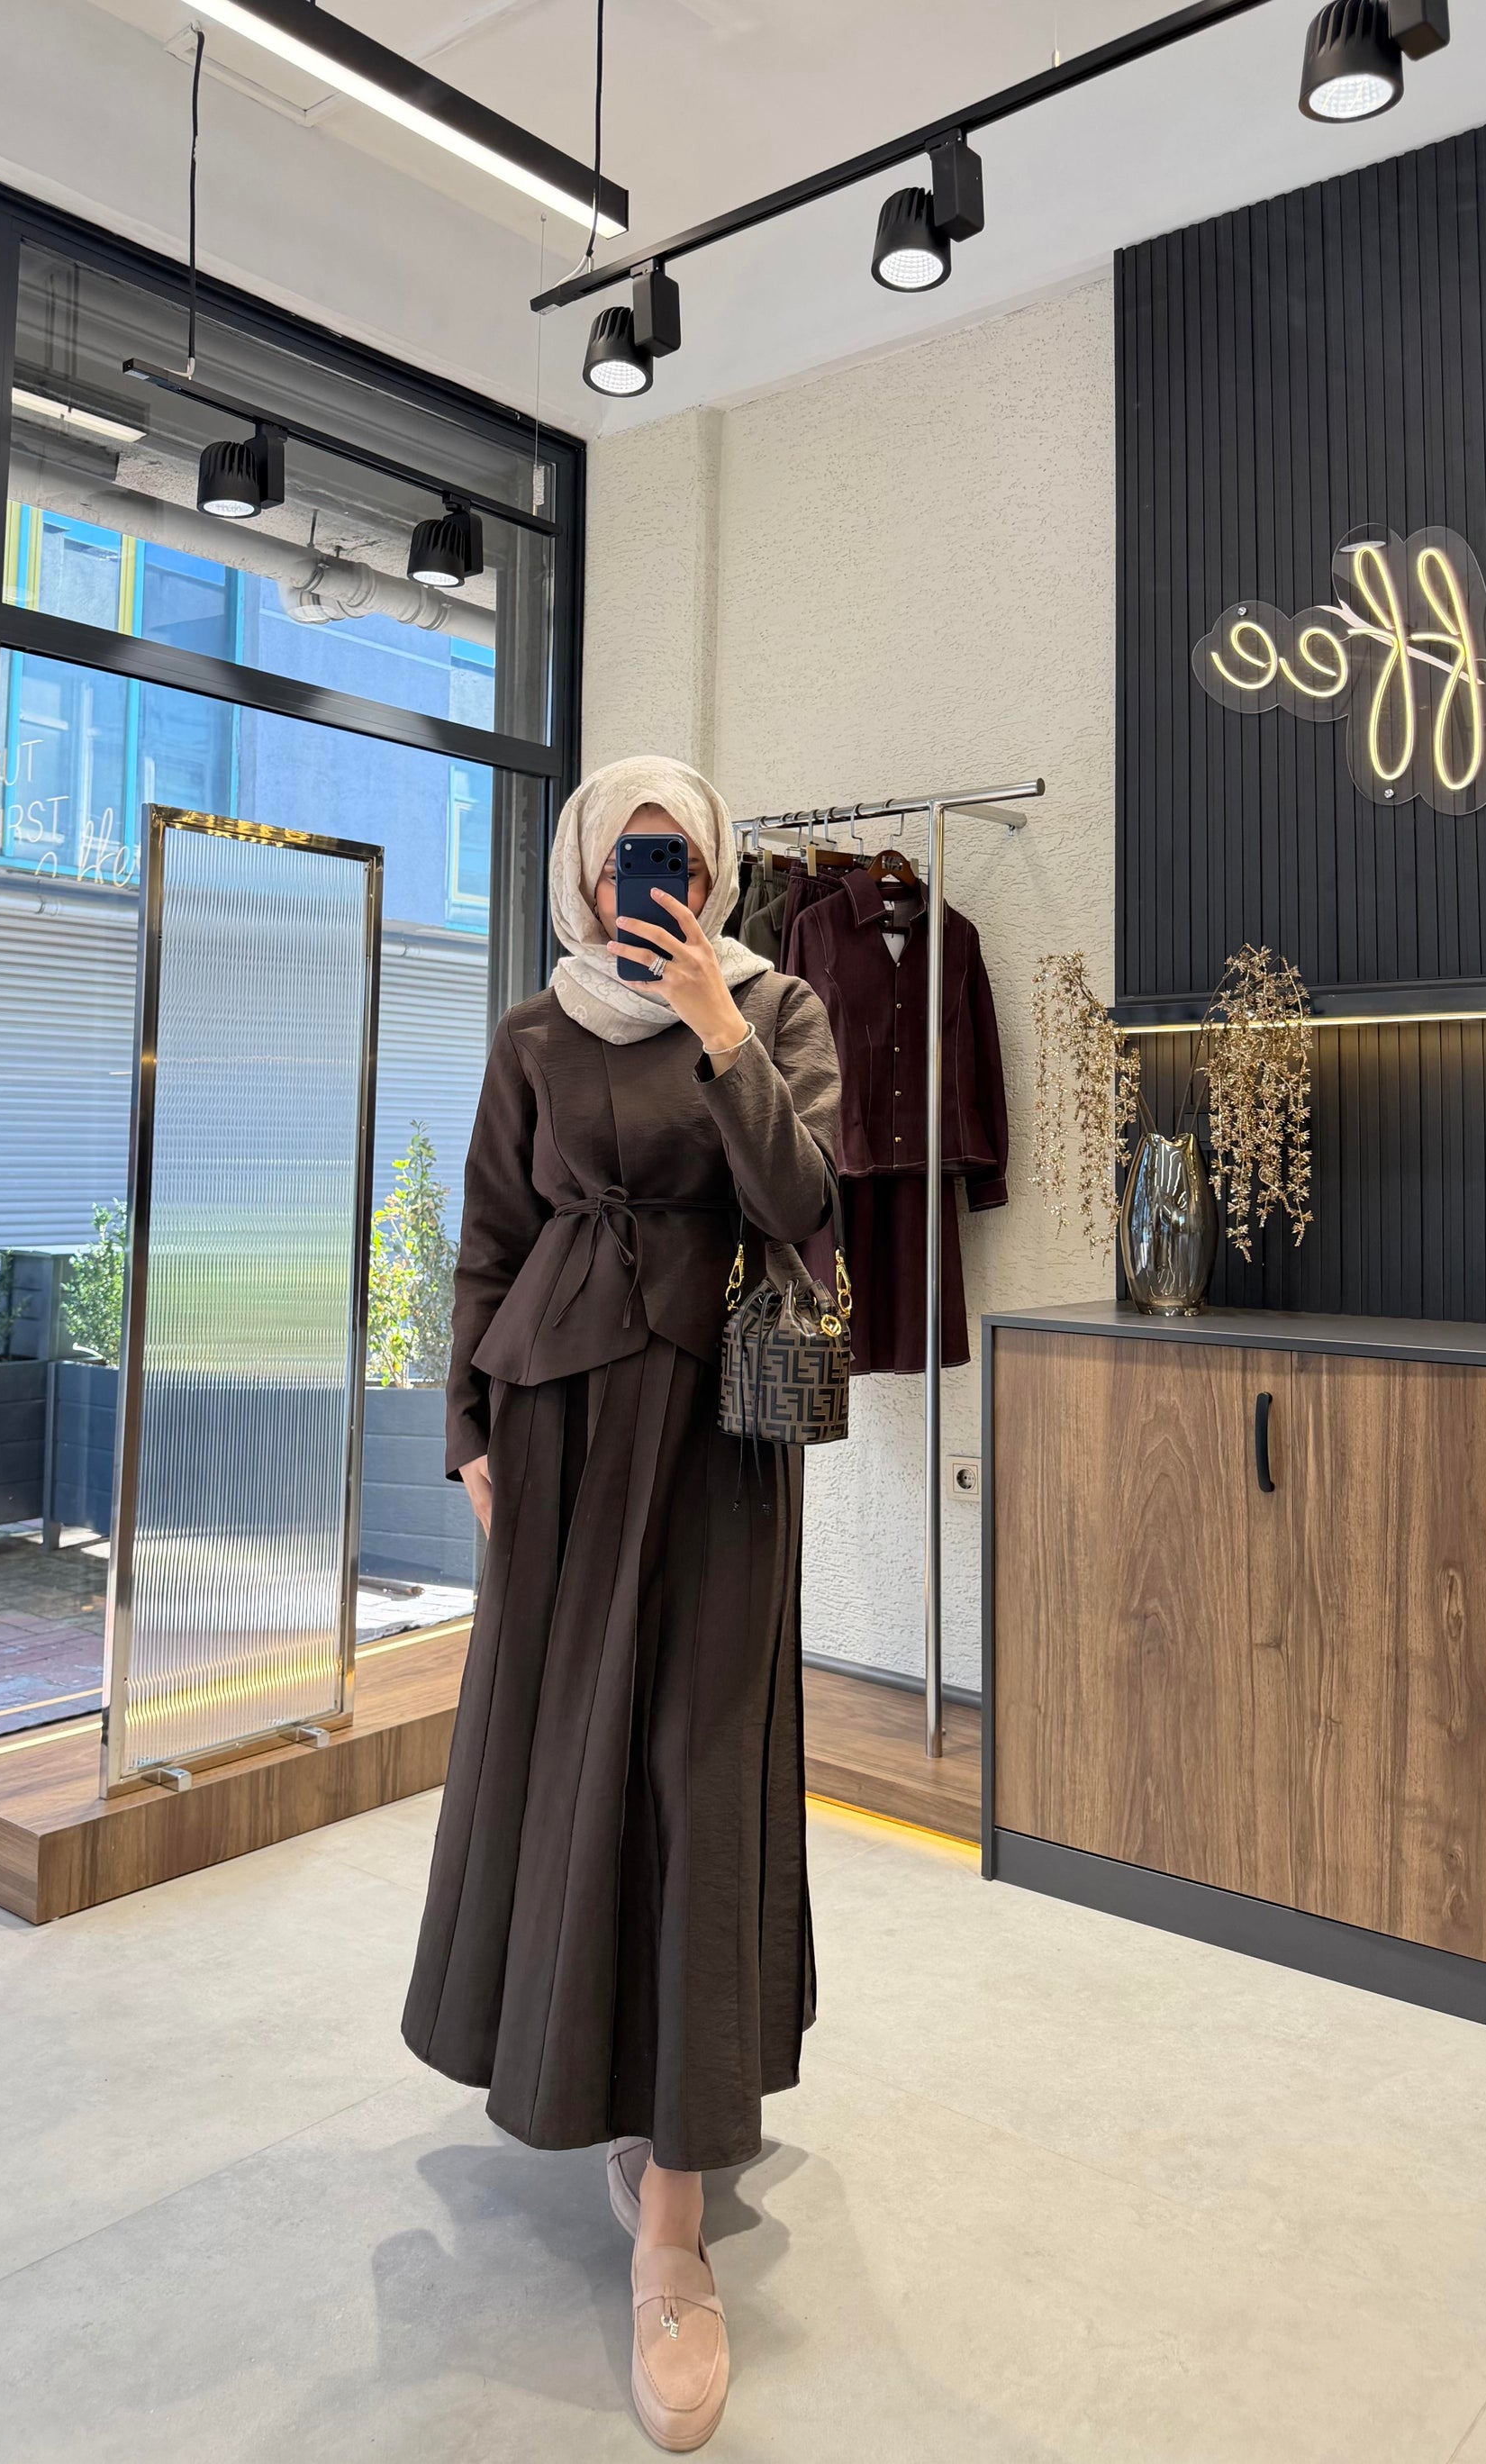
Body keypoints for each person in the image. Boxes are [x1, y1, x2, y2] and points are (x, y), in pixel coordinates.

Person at [402, 755, 840, 2451]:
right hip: (557, 1431)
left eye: (678, 861)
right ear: (583, 875)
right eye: (621, 861)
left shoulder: (776, 1009)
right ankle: (583, 2071)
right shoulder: (533, 1033)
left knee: (690, 1773)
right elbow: (487, 1238)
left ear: (714, 876)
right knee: (564, 1760)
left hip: (716, 1442)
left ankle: (674, 2220)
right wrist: (464, 1430)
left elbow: (805, 1211)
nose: (648, 888)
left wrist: (719, 1036)